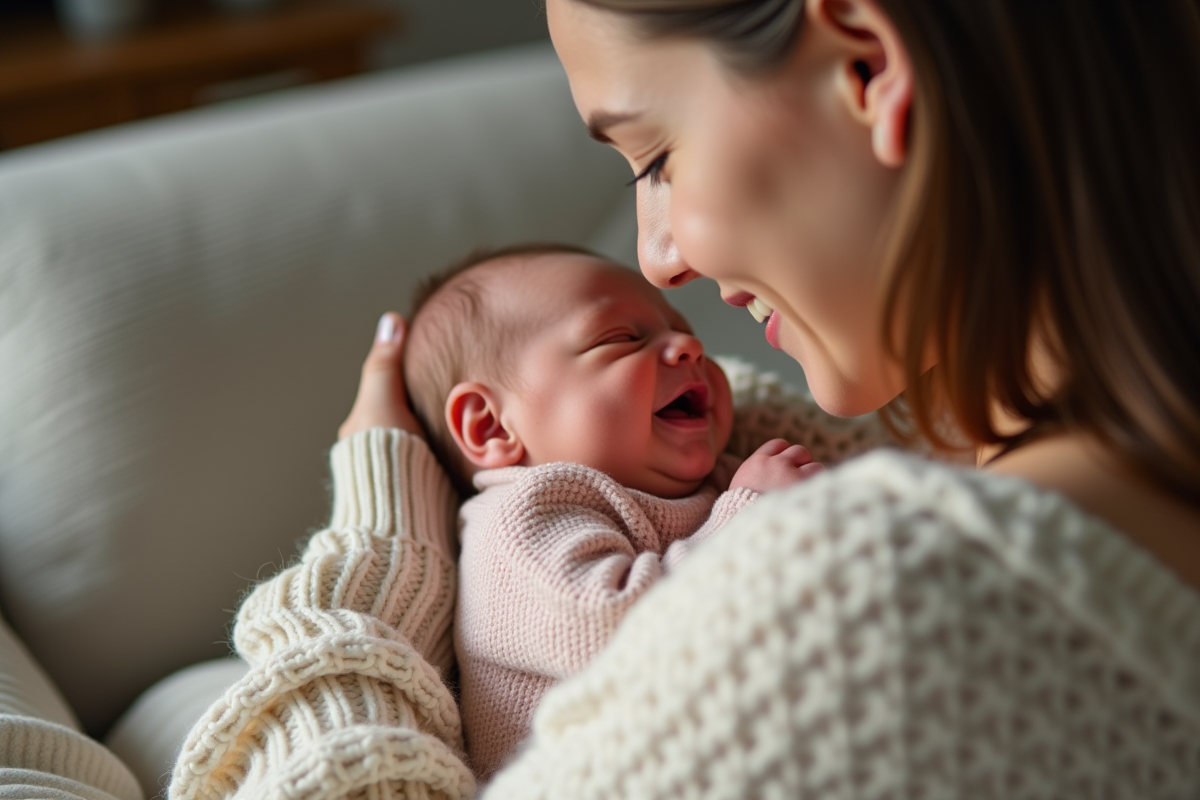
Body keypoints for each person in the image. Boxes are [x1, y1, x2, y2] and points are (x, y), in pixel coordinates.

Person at [4, 0, 1199, 797]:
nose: (662, 252)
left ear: (869, 65)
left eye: (656, 155)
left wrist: (372, 558)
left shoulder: (874, 611)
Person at [402, 243, 824, 777]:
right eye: (621, 338)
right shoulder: (518, 519)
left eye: (682, 328)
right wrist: (753, 518)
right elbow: (618, 630)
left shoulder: (722, 479)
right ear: (490, 426)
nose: (689, 346)